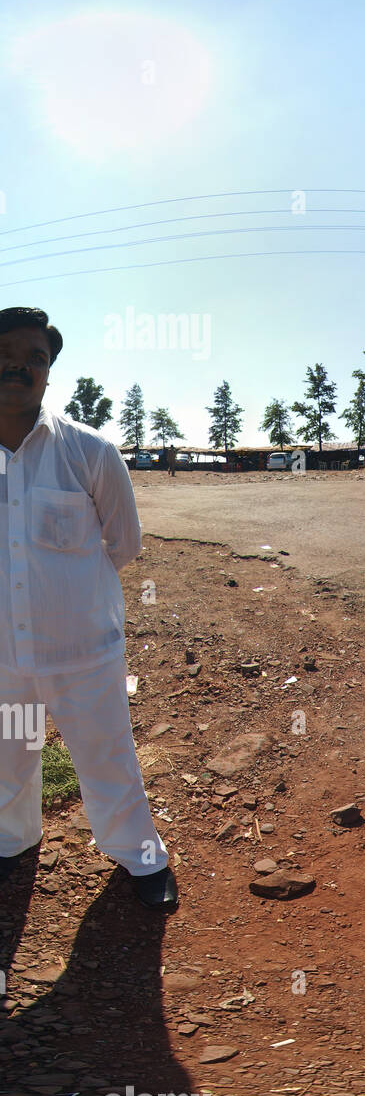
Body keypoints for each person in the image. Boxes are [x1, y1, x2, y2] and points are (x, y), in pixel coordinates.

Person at [0, 308, 177, 910]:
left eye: (36, 357)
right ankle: (12, 845)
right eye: (8, 353)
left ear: (49, 373)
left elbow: (122, 545)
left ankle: (140, 856)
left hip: (83, 653)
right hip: (5, 659)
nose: (19, 365)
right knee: (8, 757)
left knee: (106, 756)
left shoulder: (90, 453)